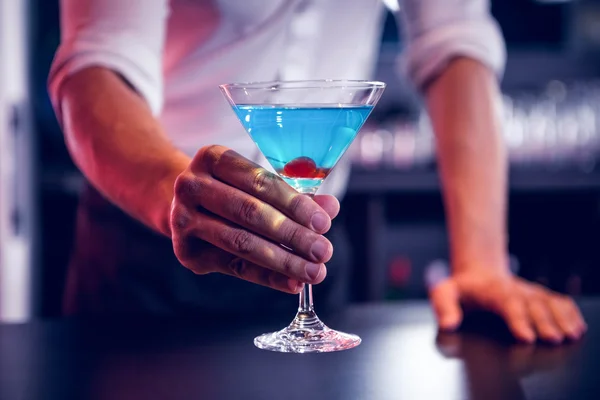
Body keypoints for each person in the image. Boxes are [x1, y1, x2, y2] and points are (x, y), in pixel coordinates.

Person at [48, 0, 586, 343]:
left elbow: (455, 41)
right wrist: (179, 192)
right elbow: (98, 63)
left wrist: (482, 262)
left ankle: (306, 321)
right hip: (151, 242)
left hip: (315, 240)